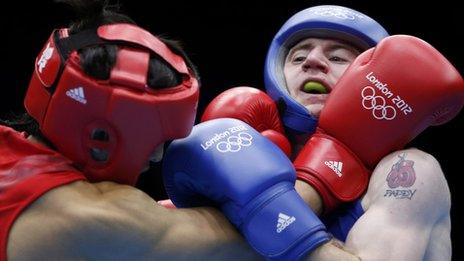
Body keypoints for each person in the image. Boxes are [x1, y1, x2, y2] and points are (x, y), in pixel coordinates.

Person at [1, 0, 266, 260]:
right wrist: (306, 162)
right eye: (154, 139)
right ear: (100, 138)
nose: (158, 156)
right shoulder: (89, 217)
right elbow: (261, 237)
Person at [199, 5, 463, 260]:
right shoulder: (249, 156)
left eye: (337, 57)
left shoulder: (409, 171)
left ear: (378, 79)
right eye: (298, 57)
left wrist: (257, 219)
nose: (312, 61)